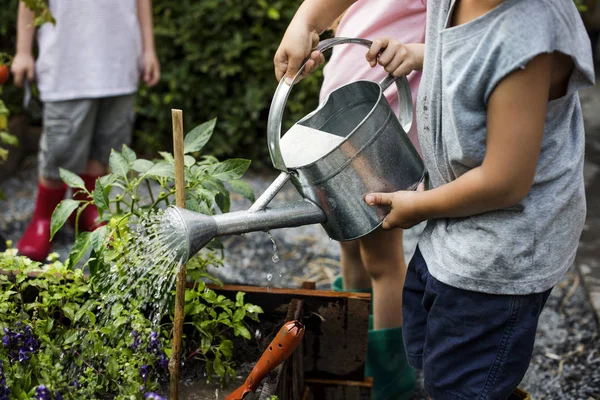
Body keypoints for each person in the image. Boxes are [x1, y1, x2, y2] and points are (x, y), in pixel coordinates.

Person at [274, 0, 595, 398]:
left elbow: (506, 182)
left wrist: (418, 206)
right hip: (457, 228)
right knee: (442, 361)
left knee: (462, 381)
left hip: (503, 255)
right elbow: (465, 54)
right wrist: (311, 22)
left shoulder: (525, 41)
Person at [318, 2, 426, 399]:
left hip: (380, 127)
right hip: (337, 119)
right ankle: (352, 342)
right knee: (347, 239)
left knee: (380, 255)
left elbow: (457, 41)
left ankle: (388, 374)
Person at [11, 0, 160, 261]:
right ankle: (45, 220)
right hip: (66, 65)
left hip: (120, 61)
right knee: (60, 153)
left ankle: (89, 212)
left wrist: (148, 49)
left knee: (106, 150)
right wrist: (23, 51)